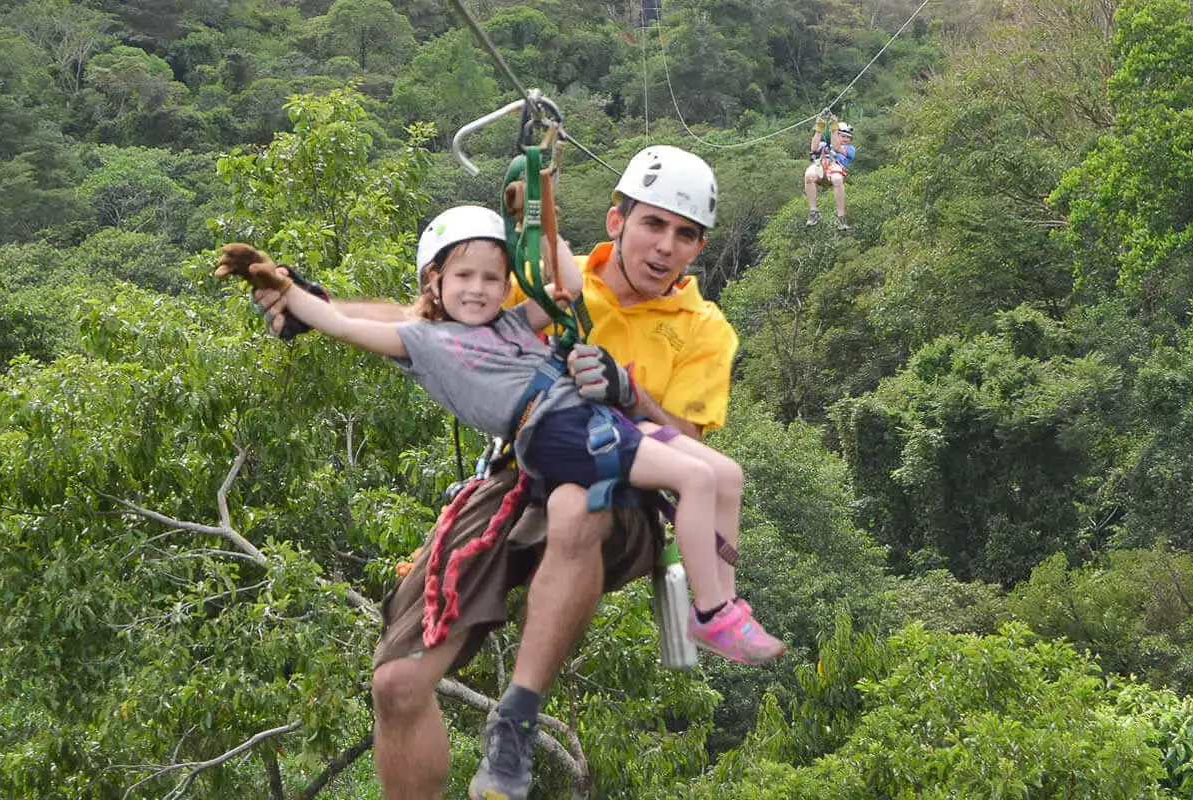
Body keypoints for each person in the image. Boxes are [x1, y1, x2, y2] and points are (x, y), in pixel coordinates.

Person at [246, 146, 750, 800]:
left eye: (685, 235)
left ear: (698, 248)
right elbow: (430, 321)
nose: (665, 247)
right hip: (513, 476)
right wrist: (313, 305)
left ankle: (517, 716)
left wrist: (627, 392)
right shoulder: (549, 285)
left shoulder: (703, 329)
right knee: (397, 684)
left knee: (576, 504)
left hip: (619, 491)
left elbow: (689, 447)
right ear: (617, 220)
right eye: (653, 224)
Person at [803, 118, 856, 231]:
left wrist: (833, 129)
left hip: (835, 166)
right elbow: (814, 147)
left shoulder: (850, 149)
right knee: (809, 175)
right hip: (821, 166)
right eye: (843, 136)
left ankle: (841, 217)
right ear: (837, 135)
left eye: (848, 137)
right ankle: (813, 211)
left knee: (837, 179)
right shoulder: (824, 145)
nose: (846, 139)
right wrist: (819, 129)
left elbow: (836, 147)